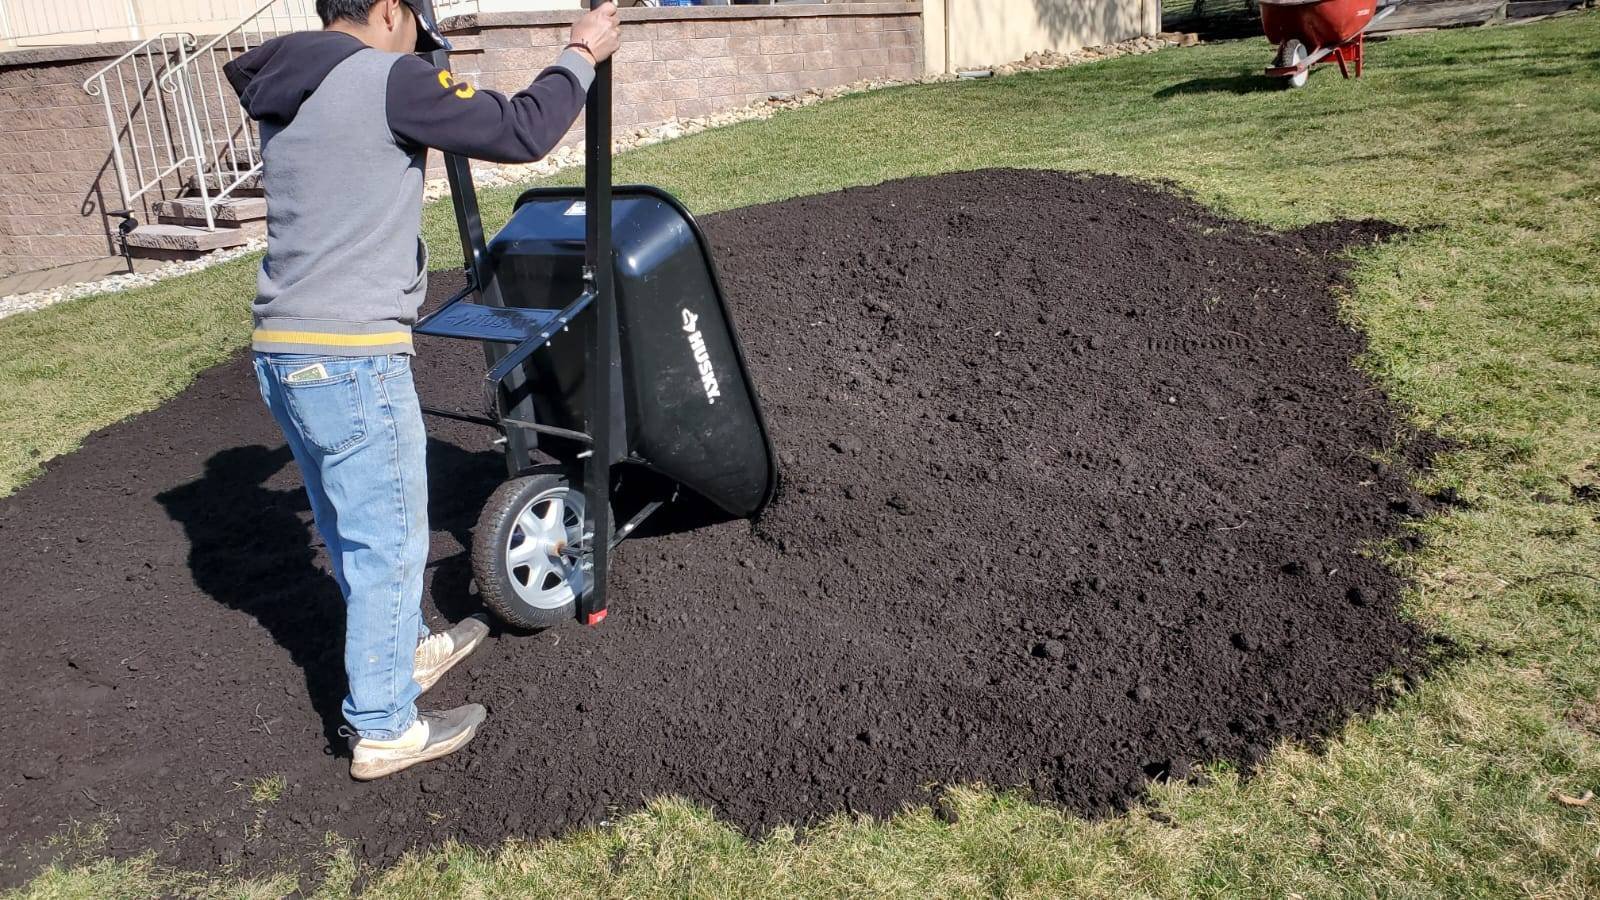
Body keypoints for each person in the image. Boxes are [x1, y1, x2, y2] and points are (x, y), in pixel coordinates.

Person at [224, 0, 621, 780]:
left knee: (349, 525)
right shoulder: (383, 77)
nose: (420, 44)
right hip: (351, 352)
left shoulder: (290, 80)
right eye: (415, 23)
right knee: (391, 541)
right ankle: (383, 725)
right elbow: (521, 130)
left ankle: (403, 650)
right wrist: (580, 52)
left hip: (283, 348)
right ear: (385, 10)